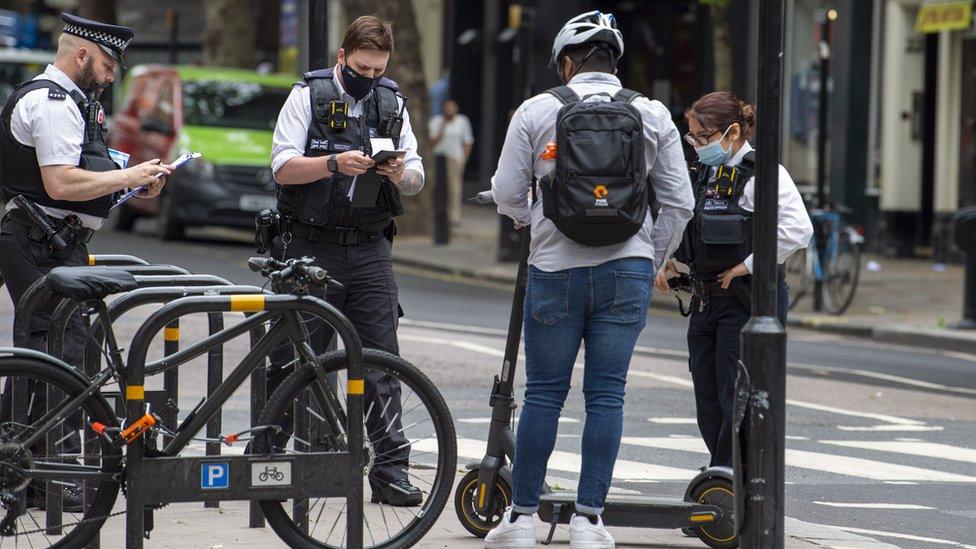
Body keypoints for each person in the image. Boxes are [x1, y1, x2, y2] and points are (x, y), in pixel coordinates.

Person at [486, 10, 694, 549]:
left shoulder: (536, 110)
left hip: (555, 269)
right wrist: (650, 258)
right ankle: (589, 522)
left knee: (544, 396)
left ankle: (521, 520)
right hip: (627, 269)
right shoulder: (651, 114)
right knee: (606, 397)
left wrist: (538, 225)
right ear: (615, 63)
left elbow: (508, 192)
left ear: (566, 63)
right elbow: (680, 203)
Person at [0, 13, 171, 509]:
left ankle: (27, 469)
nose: (111, 75)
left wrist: (130, 178)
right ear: (81, 56)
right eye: (107, 65)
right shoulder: (51, 102)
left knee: (48, 356)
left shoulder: (75, 103)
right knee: (60, 356)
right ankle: (52, 478)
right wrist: (129, 175)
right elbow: (62, 183)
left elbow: (87, 171)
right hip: (38, 240)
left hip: (53, 241)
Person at [269, 15, 424, 506]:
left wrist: (401, 173)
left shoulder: (392, 101)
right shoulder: (306, 96)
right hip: (311, 244)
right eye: (362, 67)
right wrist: (333, 164)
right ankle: (302, 466)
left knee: (382, 362)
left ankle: (391, 471)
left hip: (371, 246)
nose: (370, 77)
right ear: (342, 58)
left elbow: (418, 174)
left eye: (379, 70)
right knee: (303, 360)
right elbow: (281, 166)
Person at [655, 91, 813, 469]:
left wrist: (747, 265)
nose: (697, 146)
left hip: (745, 300)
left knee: (734, 395)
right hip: (705, 299)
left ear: (733, 131)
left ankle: (725, 484)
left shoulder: (763, 173)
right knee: (707, 398)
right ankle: (722, 474)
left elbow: (797, 229)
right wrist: (668, 259)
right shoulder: (703, 172)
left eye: (703, 137)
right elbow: (687, 221)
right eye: (692, 138)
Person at [429, 99, 473, 225]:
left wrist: (464, 158)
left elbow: (468, 141)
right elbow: (432, 141)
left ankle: (454, 216)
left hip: (455, 157)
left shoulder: (462, 121)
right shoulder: (436, 121)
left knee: (454, 188)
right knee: (437, 187)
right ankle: (436, 214)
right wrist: (442, 126)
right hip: (439, 158)